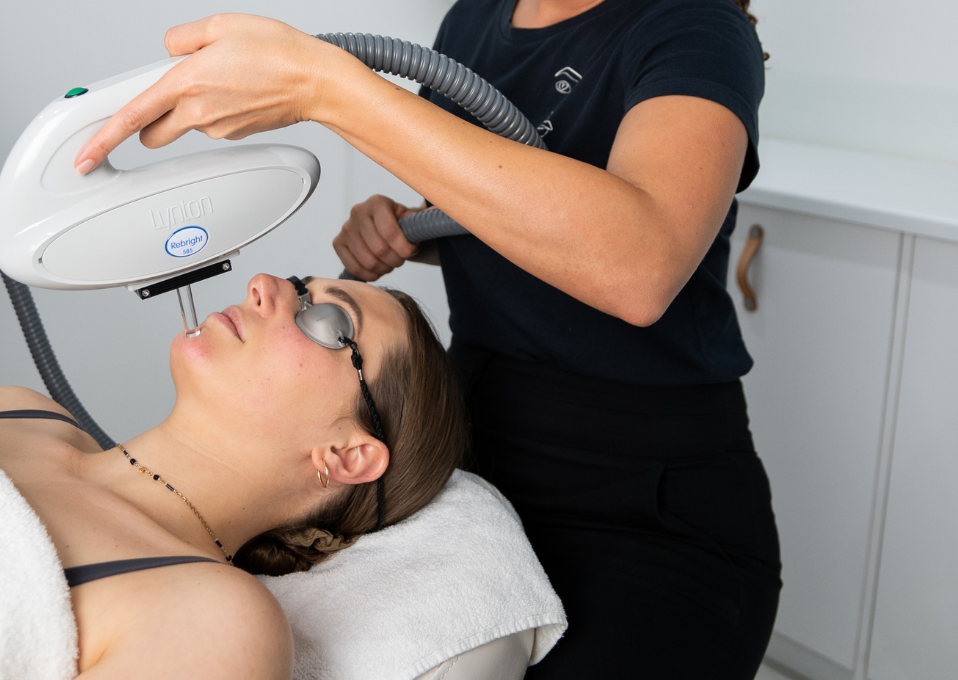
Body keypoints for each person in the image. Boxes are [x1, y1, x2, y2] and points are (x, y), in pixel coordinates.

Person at [72, 1, 781, 677]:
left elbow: (640, 264)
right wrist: (419, 227)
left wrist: (325, 86)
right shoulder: (474, 20)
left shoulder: (693, 25)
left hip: (643, 494)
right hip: (476, 450)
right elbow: (526, 208)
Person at [0, 274, 466, 679]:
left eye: (329, 321)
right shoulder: (16, 410)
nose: (263, 284)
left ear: (347, 455)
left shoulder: (216, 624)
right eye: (299, 284)